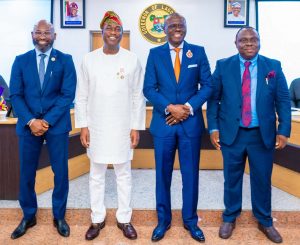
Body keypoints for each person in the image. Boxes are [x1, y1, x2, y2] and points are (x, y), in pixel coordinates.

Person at [207, 27, 291, 244]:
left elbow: (282, 100)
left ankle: (264, 220)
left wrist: (283, 130)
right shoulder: (223, 66)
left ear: (260, 42)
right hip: (232, 134)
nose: (249, 43)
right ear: (236, 44)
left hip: (261, 135)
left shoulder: (273, 66)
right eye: (243, 40)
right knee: (231, 178)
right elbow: (214, 99)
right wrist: (213, 128)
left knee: (262, 179)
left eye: (253, 39)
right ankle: (230, 217)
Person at [75, 11, 145, 241]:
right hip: (96, 126)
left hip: (123, 126)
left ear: (122, 34)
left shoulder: (132, 59)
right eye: (109, 28)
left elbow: (138, 96)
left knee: (123, 174)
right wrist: (83, 125)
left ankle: (124, 218)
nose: (113, 33)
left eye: (118, 29)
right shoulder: (88, 59)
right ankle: (97, 218)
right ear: (102, 32)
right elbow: (82, 95)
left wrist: (136, 126)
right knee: (96, 174)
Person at [143, 13, 213, 243]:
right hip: (164, 125)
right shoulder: (155, 54)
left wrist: (188, 108)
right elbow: (149, 89)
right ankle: (163, 221)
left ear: (186, 28)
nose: (176, 29)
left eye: (180, 25)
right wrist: (170, 108)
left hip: (190, 126)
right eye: (172, 25)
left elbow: (207, 86)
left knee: (190, 175)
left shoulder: (198, 52)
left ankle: (191, 221)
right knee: (162, 176)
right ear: (164, 29)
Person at [9, 20, 77, 239]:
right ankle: (29, 215)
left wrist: (45, 121)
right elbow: (15, 95)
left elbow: (67, 95)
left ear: (54, 36)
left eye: (47, 32)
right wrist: (31, 121)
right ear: (32, 34)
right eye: (38, 32)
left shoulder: (66, 60)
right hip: (28, 126)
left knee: (61, 173)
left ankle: (59, 216)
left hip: (56, 125)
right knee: (27, 173)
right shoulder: (21, 61)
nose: (42, 36)